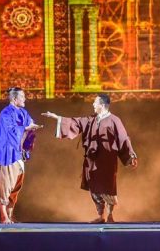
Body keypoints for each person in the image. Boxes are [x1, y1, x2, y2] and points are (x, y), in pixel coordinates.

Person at [43, 94, 138, 223]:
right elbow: (75, 122)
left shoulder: (114, 120)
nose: (93, 104)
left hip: (107, 159)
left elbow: (123, 138)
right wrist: (57, 117)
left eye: (95, 103)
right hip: (92, 159)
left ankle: (110, 215)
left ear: (102, 105)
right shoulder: (91, 119)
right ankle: (101, 216)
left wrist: (131, 155)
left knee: (108, 187)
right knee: (94, 187)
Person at [0, 87, 41, 224]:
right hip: (7, 153)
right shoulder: (5, 113)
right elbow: (11, 131)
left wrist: (32, 126)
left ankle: (9, 215)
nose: (25, 99)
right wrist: (26, 128)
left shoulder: (24, 112)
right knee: (5, 184)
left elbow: (29, 123)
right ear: (14, 99)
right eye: (22, 96)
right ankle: (4, 217)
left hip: (18, 154)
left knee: (16, 186)